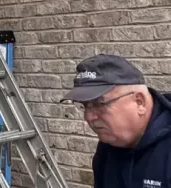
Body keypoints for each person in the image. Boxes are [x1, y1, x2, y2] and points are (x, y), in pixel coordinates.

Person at [60, 54, 171, 188]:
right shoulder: (108, 146)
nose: (89, 117)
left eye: (100, 104)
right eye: (85, 105)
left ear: (139, 102)